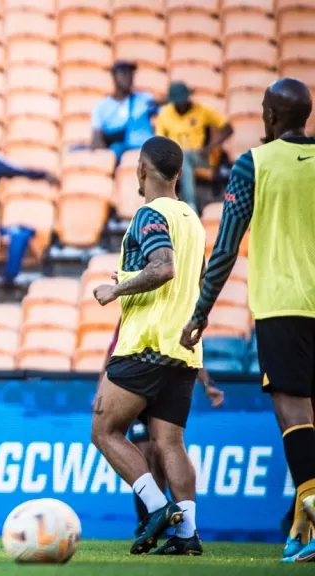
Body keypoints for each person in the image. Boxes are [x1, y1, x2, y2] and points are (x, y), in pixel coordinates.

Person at [180, 78, 315, 563]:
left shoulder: (252, 164)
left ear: (272, 117)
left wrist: (199, 313)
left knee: (294, 414)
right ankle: (300, 523)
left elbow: (226, 248)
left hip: (282, 305)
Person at [90, 136, 207, 556]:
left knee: (104, 430)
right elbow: (200, 279)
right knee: (169, 443)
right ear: (178, 173)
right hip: (183, 351)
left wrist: (115, 290)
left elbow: (163, 268)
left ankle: (157, 509)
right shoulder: (192, 220)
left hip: (147, 344)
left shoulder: (148, 215)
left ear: (141, 170)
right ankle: (187, 534)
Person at [99, 319, 224, 540]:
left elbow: (121, 344)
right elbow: (115, 344)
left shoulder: (148, 299)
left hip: (141, 365)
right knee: (160, 447)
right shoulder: (187, 297)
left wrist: (207, 383)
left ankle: (159, 509)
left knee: (106, 433)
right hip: (178, 364)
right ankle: (180, 531)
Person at [155, 82, 235, 212]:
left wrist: (210, 147)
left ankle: (190, 203)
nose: (181, 104)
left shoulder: (201, 110)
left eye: (183, 100)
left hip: (200, 157)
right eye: (178, 101)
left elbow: (228, 128)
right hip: (175, 158)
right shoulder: (165, 113)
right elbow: (159, 141)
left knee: (185, 157)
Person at [90, 61, 156, 161]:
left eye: (131, 73)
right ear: (114, 77)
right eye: (124, 73)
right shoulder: (102, 106)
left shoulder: (144, 99)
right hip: (119, 150)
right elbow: (96, 138)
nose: (128, 77)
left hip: (145, 147)